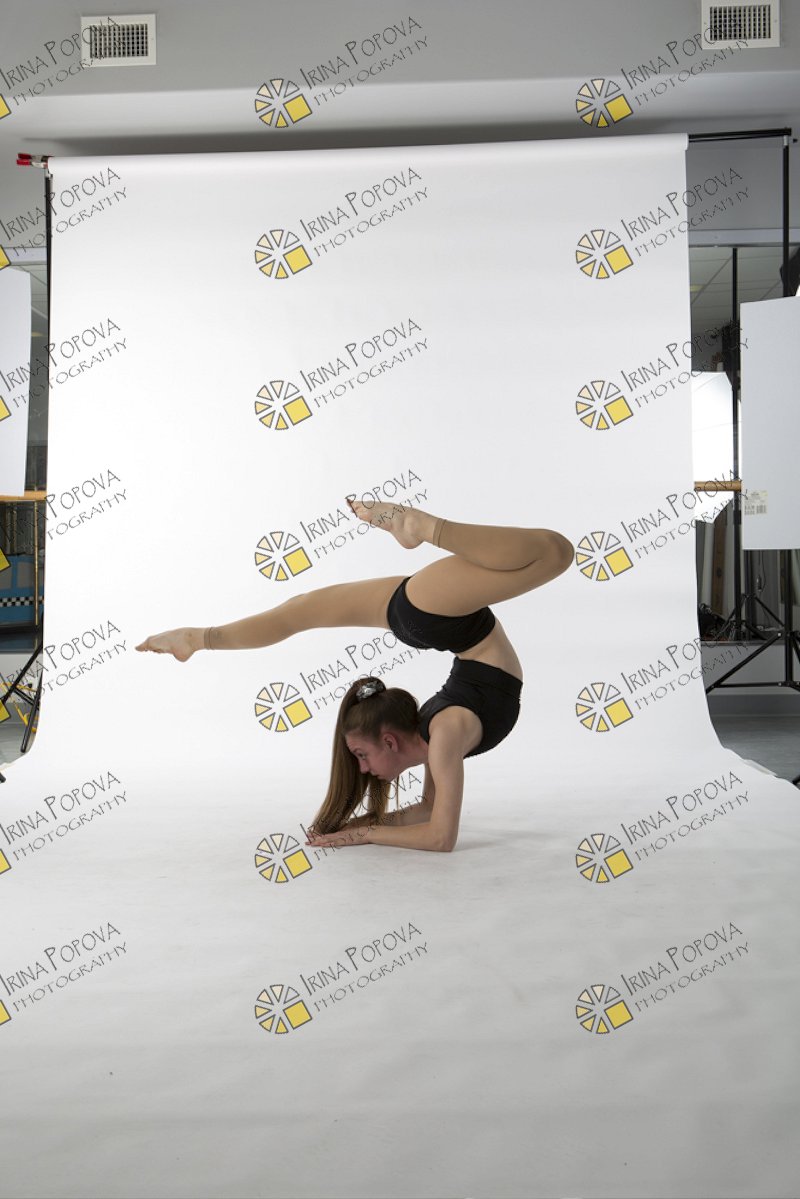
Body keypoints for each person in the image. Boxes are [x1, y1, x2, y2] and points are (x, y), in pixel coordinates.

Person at [135, 499, 574, 853]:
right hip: (430, 616)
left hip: (440, 617)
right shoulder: (440, 736)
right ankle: (199, 638)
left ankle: (422, 526)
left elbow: (440, 838)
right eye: (361, 758)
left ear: (390, 739)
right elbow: (428, 815)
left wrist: (364, 834)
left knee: (554, 552)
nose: (364, 769)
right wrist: (354, 827)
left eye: (360, 756)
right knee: (299, 611)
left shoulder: (442, 734)